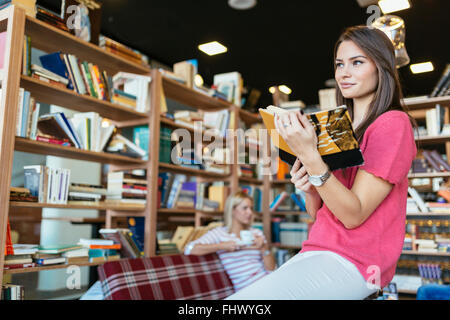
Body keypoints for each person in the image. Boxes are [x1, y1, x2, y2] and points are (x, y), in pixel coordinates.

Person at [227, 25, 417, 300]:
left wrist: (311, 158)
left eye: (357, 62)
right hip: (317, 250)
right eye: (340, 64)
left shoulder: (393, 123)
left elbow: (353, 215)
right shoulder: (340, 128)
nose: (344, 73)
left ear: (382, 67)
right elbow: (318, 215)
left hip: (356, 262)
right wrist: (308, 187)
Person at [184, 190, 276, 292]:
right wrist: (222, 246)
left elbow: (271, 269)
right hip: (247, 290)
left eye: (251, 208)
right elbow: (189, 249)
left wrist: (264, 248)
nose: (250, 212)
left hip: (268, 283)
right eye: (245, 208)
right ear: (232, 210)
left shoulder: (256, 233)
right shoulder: (220, 233)